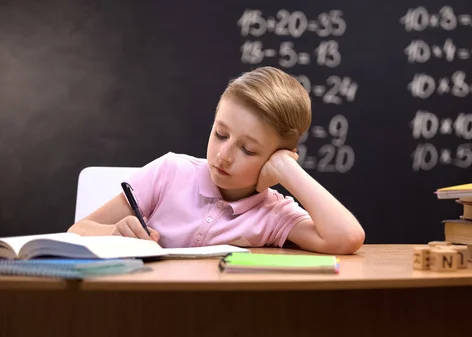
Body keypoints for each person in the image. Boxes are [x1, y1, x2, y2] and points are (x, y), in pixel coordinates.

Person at [68, 66, 365, 254]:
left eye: (248, 150)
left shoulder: (272, 215)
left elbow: (347, 238)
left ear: (276, 157)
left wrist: (288, 171)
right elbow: (77, 231)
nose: (223, 156)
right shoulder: (169, 172)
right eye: (220, 134)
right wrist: (114, 232)